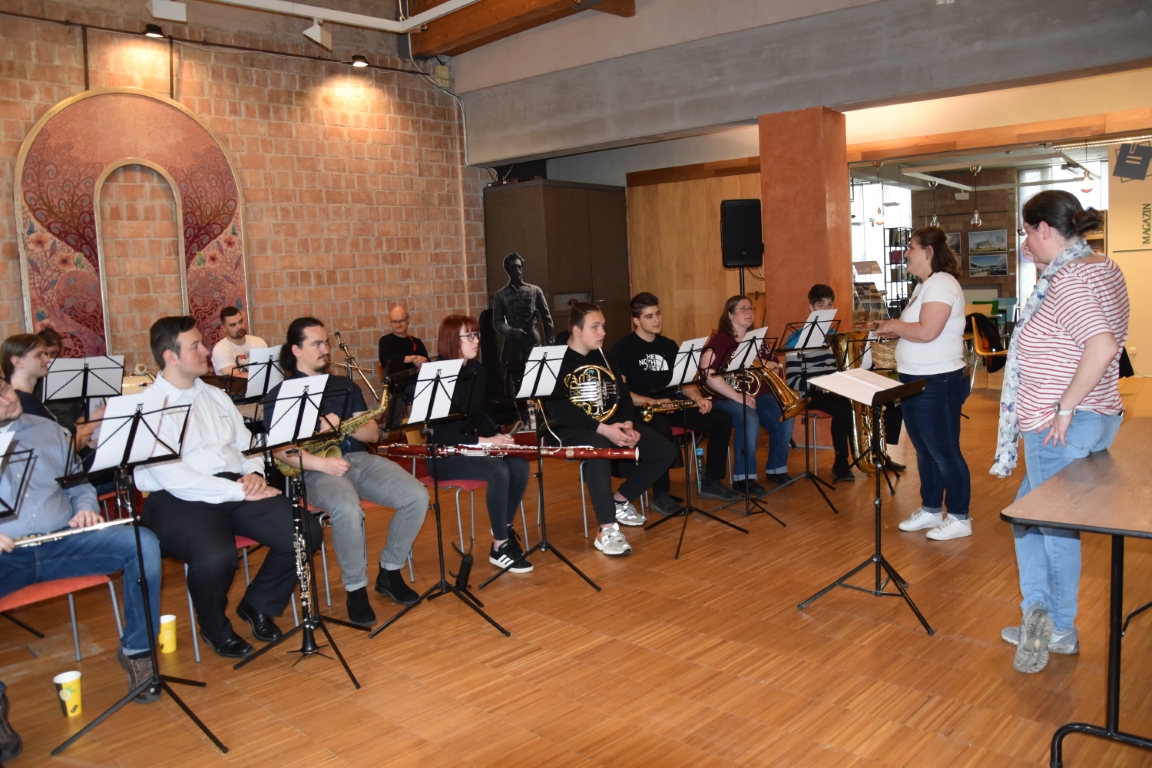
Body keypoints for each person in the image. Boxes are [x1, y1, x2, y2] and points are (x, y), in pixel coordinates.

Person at [991, 191, 1128, 674]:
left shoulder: (1068, 279)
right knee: (1027, 518)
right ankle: (1039, 612)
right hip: (1095, 417)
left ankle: (1061, 627)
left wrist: (1065, 408)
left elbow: (1102, 345)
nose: (1025, 243)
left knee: (1054, 529)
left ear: (1044, 229)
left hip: (1059, 426)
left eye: (1027, 232)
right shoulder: (1101, 266)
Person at [137, 316, 311, 659]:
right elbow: (174, 477)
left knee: (303, 530)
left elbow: (247, 446)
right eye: (195, 346)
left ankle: (257, 604)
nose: (206, 351)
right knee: (216, 557)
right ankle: (214, 628)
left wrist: (254, 473)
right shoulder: (151, 406)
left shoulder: (215, 395)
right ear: (171, 357)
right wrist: (239, 491)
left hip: (234, 486)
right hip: (176, 500)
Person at [0, 377, 164, 716]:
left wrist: (85, 507)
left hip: (63, 541)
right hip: (7, 556)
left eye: (3, 388)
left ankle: (138, 650)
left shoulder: (46, 429)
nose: (6, 400)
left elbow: (78, 485)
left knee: (142, 543)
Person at [267, 317, 428, 626]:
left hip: (358, 460)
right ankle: (356, 588)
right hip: (316, 468)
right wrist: (323, 464)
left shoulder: (344, 385)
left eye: (326, 342)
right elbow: (281, 450)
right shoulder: (282, 393)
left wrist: (341, 425)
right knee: (347, 509)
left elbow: (372, 434)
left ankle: (390, 571)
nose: (325, 349)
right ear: (296, 350)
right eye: (316, 344)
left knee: (416, 496)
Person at [546, 303, 676, 556]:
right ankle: (606, 528)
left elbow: (622, 396)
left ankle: (620, 500)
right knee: (599, 446)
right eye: (595, 327)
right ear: (577, 330)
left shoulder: (604, 356)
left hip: (608, 423)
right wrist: (604, 429)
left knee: (664, 450)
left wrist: (627, 424)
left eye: (603, 326)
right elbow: (561, 411)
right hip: (565, 428)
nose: (603, 332)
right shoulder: (555, 360)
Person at [874, 227, 970, 541]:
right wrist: (897, 329)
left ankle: (959, 516)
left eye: (911, 248)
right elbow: (918, 328)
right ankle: (930, 509)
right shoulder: (924, 285)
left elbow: (928, 331)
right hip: (915, 378)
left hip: (938, 379)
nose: (906, 254)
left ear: (928, 251)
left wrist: (893, 324)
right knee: (924, 450)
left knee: (944, 450)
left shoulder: (941, 283)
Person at [611, 292, 742, 513]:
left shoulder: (669, 345)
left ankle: (711, 482)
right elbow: (622, 393)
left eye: (658, 313)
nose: (657, 320)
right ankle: (661, 495)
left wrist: (698, 397)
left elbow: (684, 382)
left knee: (721, 420)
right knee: (661, 428)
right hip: (642, 411)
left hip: (671, 406)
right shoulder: (622, 348)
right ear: (636, 320)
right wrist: (652, 401)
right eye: (649, 316)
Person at [429, 315, 533, 572]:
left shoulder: (477, 370)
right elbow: (440, 434)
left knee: (519, 465)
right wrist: (484, 441)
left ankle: (504, 528)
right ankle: (500, 547)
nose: (476, 341)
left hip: (470, 446)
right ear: (452, 340)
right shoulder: (436, 375)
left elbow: (478, 415)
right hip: (443, 454)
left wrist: (498, 437)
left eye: (476, 335)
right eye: (470, 336)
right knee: (497, 470)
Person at [700, 296, 794, 496]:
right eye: (742, 308)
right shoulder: (720, 340)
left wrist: (756, 361)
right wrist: (737, 396)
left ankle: (776, 468)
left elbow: (776, 366)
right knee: (748, 418)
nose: (749, 312)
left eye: (750, 308)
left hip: (759, 394)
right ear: (730, 315)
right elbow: (707, 373)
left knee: (785, 415)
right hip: (726, 397)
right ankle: (744, 478)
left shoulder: (757, 340)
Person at [783, 285, 857, 482]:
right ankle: (841, 464)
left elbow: (838, 369)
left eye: (829, 305)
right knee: (843, 410)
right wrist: (821, 386)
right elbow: (792, 380)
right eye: (820, 305)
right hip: (809, 393)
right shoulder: (796, 339)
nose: (825, 309)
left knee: (860, 403)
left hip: (830, 390)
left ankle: (870, 456)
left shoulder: (833, 335)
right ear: (811, 308)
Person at [2, 333, 102, 461]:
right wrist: (92, 425)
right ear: (17, 362)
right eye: (39, 355)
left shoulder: (27, 397)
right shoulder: (25, 401)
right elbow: (59, 449)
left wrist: (90, 443)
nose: (48, 359)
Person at [491, 253, 554, 397]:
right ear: (508, 270)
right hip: (513, 343)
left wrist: (550, 344)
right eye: (513, 268)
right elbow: (497, 322)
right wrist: (511, 331)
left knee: (538, 380)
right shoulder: (500, 295)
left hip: (533, 341)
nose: (517, 270)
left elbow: (547, 318)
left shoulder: (535, 290)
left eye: (519, 267)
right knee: (516, 384)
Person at [211, 307, 267, 377]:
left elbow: (268, 369)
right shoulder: (220, 349)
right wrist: (263, 375)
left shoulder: (258, 342)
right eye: (233, 325)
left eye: (241, 321)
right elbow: (235, 377)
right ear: (224, 328)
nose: (239, 327)